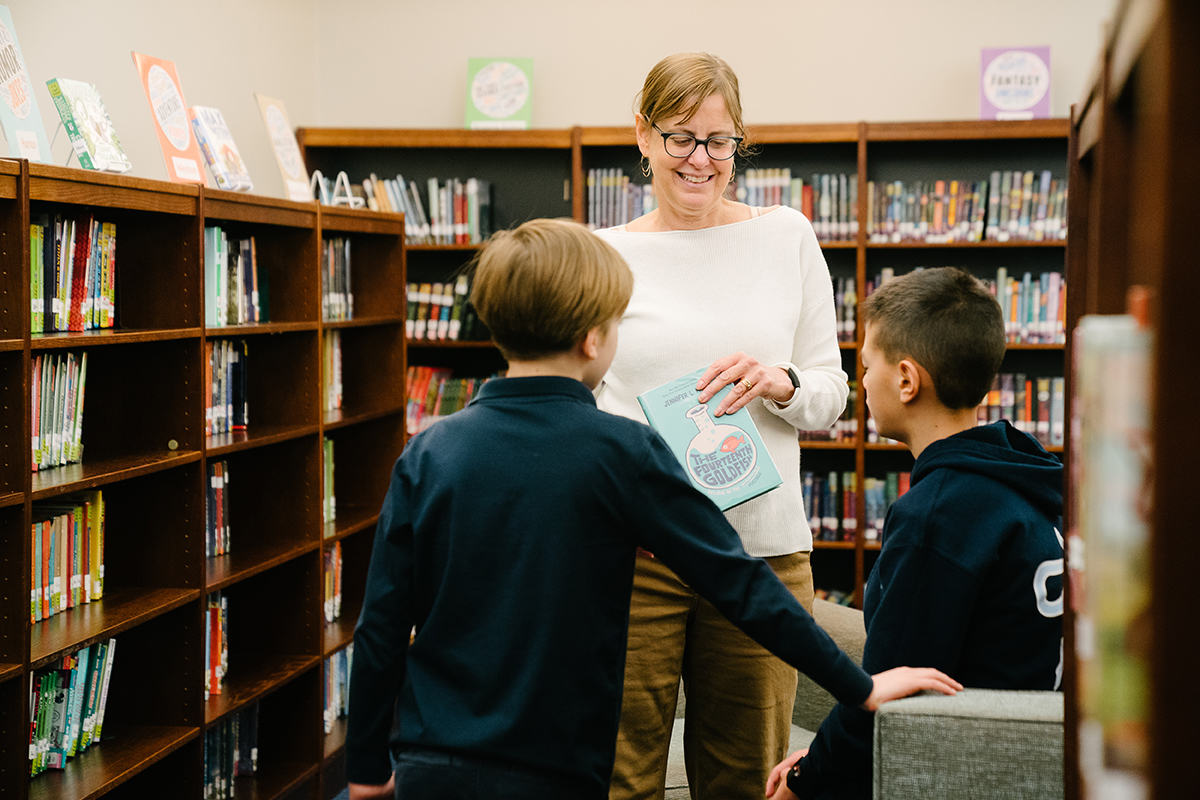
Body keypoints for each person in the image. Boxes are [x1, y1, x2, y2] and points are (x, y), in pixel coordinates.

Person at [344, 219, 960, 800]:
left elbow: (382, 626)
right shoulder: (623, 452)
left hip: (432, 764)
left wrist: (368, 769)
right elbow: (739, 580)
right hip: (557, 768)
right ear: (593, 339)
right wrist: (861, 686)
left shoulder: (427, 453)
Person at [593, 53, 849, 800]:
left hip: (760, 555)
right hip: (636, 557)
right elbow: (582, 407)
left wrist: (781, 382)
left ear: (740, 142)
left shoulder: (787, 236)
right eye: (680, 138)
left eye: (720, 141)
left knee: (746, 779)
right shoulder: (606, 255)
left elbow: (831, 393)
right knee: (620, 774)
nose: (701, 161)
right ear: (641, 135)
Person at [766, 267, 1065, 800]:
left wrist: (803, 780)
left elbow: (885, 694)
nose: (860, 383)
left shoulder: (937, 516)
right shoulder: (1015, 478)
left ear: (906, 380)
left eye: (864, 366)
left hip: (956, 764)